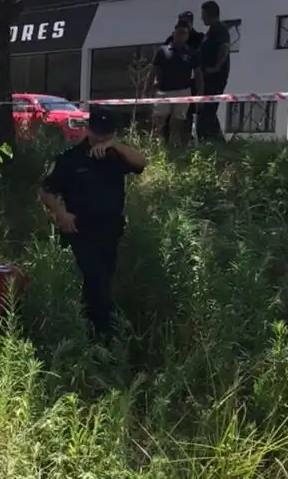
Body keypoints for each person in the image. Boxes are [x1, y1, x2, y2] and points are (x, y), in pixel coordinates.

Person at [38, 108, 147, 342]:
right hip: (81, 230)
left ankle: (92, 332)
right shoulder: (71, 159)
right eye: (97, 132)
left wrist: (116, 146)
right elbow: (46, 192)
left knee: (102, 281)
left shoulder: (115, 156)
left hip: (109, 230)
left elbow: (141, 164)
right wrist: (62, 214)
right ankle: (104, 333)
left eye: (106, 133)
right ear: (89, 130)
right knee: (95, 278)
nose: (100, 137)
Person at [146, 21, 204, 146]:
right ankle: (156, 147)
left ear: (187, 36)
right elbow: (153, 71)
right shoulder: (162, 51)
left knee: (177, 123)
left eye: (184, 33)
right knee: (158, 121)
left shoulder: (192, 53)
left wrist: (200, 92)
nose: (181, 36)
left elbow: (198, 74)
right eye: (179, 33)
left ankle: (174, 148)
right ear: (174, 34)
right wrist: (147, 89)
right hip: (163, 91)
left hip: (183, 92)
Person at [196, 0, 231, 141]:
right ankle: (212, 140)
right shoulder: (212, 30)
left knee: (207, 111)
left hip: (215, 77)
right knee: (206, 111)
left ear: (210, 13)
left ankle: (215, 141)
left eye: (203, 14)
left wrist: (216, 67)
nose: (202, 18)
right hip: (208, 76)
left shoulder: (219, 29)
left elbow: (224, 48)